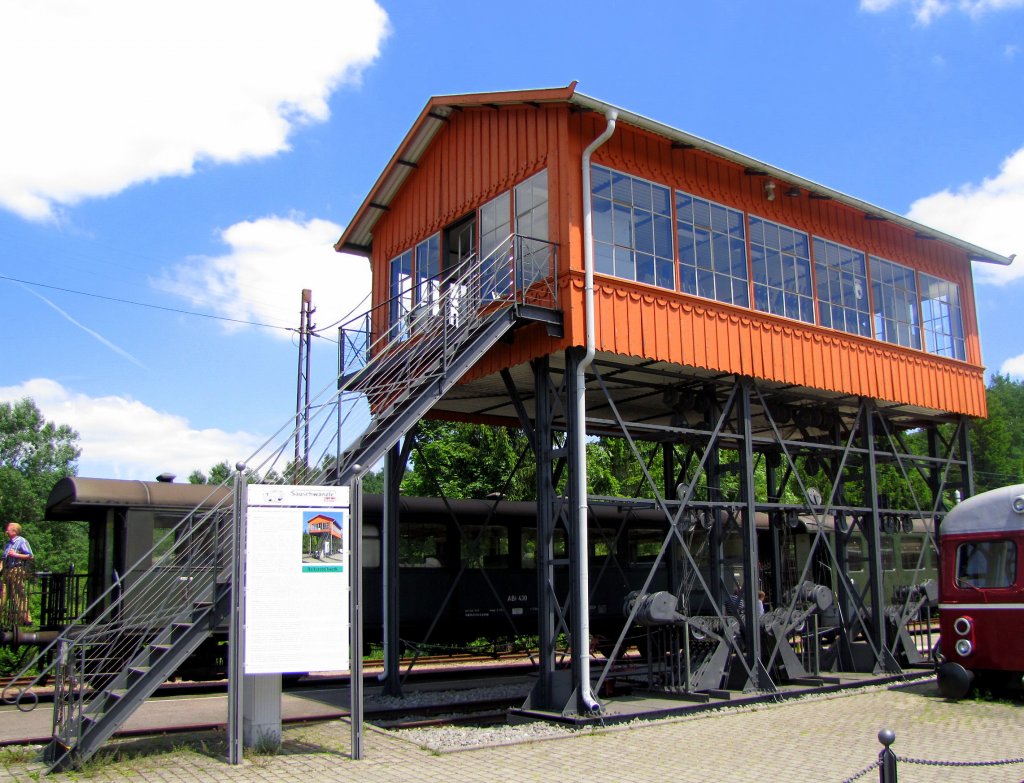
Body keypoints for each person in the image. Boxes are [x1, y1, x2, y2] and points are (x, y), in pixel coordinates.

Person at [2, 522, 34, 626]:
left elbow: (30, 556)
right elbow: (3, 559)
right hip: (7, 572)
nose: (6, 531)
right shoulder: (8, 544)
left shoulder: (21, 541)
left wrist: (15, 554)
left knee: (18, 595)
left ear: (14, 531)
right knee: (2, 594)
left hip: (17, 570)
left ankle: (26, 620)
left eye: (8, 529)